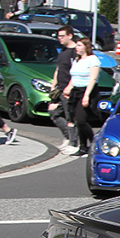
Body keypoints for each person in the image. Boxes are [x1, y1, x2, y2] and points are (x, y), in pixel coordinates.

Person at [64, 37, 100, 156]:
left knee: (81, 120)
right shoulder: (77, 60)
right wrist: (68, 87)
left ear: (86, 46)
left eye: (79, 45)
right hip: (76, 91)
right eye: (76, 45)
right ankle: (83, 147)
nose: (76, 47)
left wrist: (86, 96)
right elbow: (74, 76)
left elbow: (93, 79)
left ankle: (94, 143)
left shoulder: (93, 60)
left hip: (87, 90)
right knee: (77, 121)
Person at [50, 25, 79, 153]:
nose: (59, 38)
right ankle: (68, 136)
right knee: (54, 113)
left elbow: (76, 71)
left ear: (70, 35)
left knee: (70, 117)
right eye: (58, 36)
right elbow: (58, 69)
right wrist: (53, 85)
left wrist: (69, 87)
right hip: (59, 89)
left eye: (62, 36)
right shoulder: (62, 51)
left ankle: (74, 143)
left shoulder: (75, 52)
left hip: (70, 89)